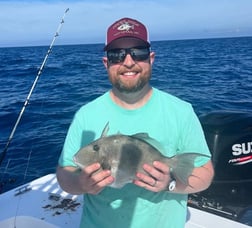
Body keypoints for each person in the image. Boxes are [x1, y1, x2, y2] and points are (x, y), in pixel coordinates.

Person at [56, 17, 214, 228]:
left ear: (151, 59)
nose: (128, 62)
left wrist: (169, 183)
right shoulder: (85, 115)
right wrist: (80, 183)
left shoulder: (181, 111)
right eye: (117, 55)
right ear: (107, 63)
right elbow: (65, 173)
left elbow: (204, 174)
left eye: (138, 52)